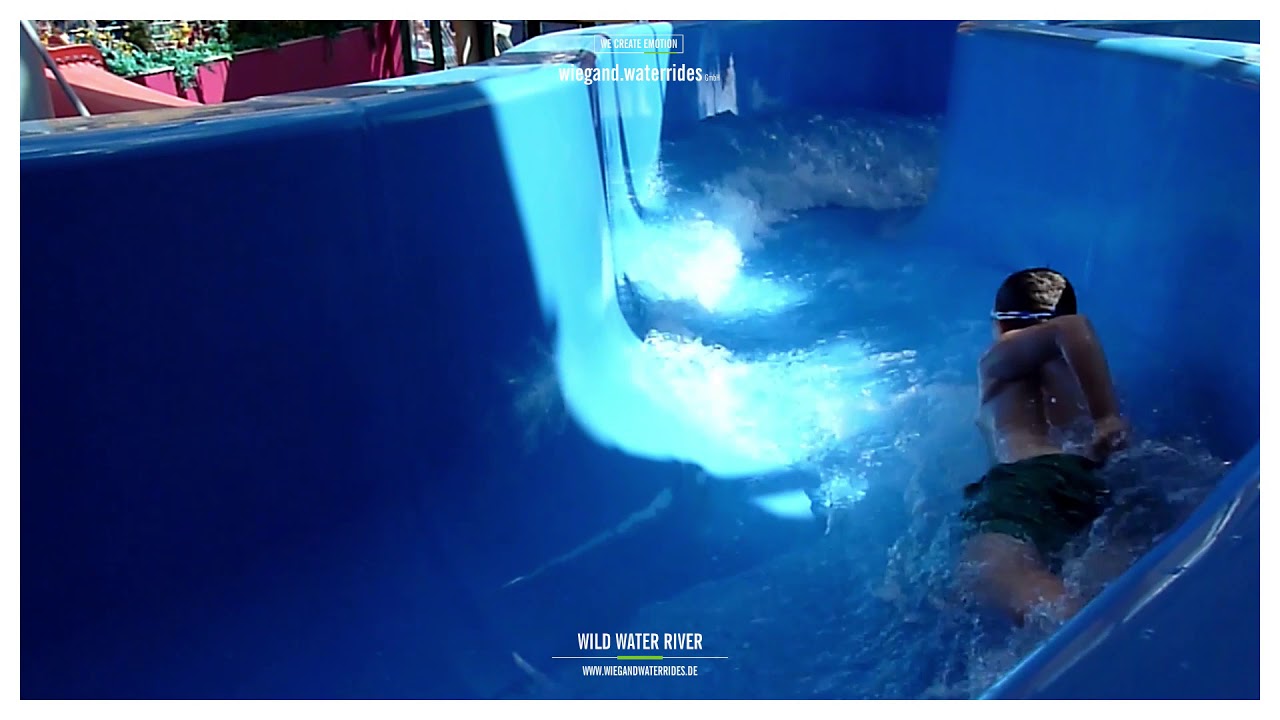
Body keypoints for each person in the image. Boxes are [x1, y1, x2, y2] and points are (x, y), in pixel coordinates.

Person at [959, 267, 1130, 626]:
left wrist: (1107, 417)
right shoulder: (1073, 372)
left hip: (1028, 478)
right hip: (1083, 481)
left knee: (990, 570)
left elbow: (1073, 327)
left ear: (1000, 322)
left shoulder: (999, 355)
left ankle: (1096, 638)